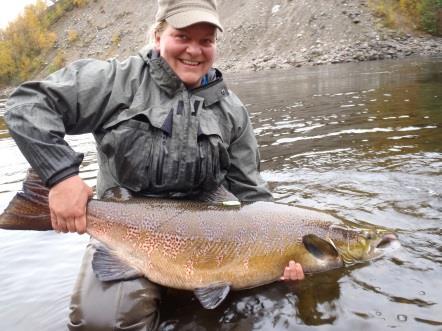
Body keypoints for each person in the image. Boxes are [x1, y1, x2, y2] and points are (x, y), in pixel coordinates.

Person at [5, 0, 304, 329]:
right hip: (124, 231)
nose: (194, 50)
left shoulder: (232, 112)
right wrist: (60, 178)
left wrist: (283, 250)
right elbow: (27, 103)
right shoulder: (117, 82)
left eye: (206, 41)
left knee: (257, 308)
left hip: (209, 239)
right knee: (101, 322)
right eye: (182, 36)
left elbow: (252, 195)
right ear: (158, 34)